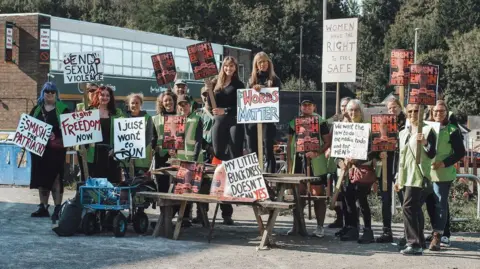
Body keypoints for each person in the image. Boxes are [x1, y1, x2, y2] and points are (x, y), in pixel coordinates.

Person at [204, 56, 245, 223]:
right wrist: (208, 92)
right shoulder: (215, 83)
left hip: (234, 119)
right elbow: (209, 105)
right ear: (223, 67)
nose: (229, 69)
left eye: (232, 66)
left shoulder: (239, 85)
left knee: (235, 151)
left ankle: (234, 185)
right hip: (219, 121)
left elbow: (241, 106)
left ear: (235, 68)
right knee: (219, 152)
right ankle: (229, 169)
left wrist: (225, 110)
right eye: (226, 66)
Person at [286, 100, 331, 237]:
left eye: (309, 105)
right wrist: (289, 162)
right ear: (300, 107)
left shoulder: (321, 122)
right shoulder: (294, 122)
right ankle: (297, 225)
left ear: (314, 106)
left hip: (316, 162)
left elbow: (328, 141)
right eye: (304, 105)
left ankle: (320, 227)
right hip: (298, 162)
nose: (306, 107)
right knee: (298, 195)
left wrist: (317, 152)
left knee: (318, 195)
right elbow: (289, 143)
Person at [396, 103, 436, 255]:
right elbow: (401, 156)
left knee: (408, 207)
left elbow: (432, 153)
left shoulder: (428, 129)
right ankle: (419, 240)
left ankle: (413, 243)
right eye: (410, 111)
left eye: (417, 111)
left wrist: (425, 142)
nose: (413, 114)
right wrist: (397, 177)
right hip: (405, 175)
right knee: (414, 208)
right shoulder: (403, 132)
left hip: (418, 175)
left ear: (423, 112)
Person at [424, 100, 465, 250]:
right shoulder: (427, 128)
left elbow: (460, 152)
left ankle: (438, 236)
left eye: (441, 111)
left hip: (443, 173)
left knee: (440, 204)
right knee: (429, 204)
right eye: (435, 111)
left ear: (447, 113)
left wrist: (443, 163)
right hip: (427, 172)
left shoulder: (452, 130)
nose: (438, 114)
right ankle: (434, 229)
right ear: (431, 112)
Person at [337, 99, 378, 243]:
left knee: (362, 200)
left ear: (361, 111)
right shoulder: (344, 128)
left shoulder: (368, 129)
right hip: (348, 171)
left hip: (363, 170)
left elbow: (373, 151)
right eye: (351, 110)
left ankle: (368, 230)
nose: (353, 113)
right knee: (348, 198)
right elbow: (338, 151)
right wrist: (340, 162)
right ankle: (352, 228)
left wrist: (357, 161)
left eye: (356, 110)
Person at [29, 82, 70, 223]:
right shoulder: (36, 109)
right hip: (39, 150)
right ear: (43, 92)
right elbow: (29, 128)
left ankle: (58, 207)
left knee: (56, 178)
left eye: (53, 91)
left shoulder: (63, 110)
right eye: (47, 91)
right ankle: (43, 207)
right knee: (41, 179)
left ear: (56, 93)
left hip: (56, 151)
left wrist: (57, 136)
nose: (50, 94)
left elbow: (70, 131)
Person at [245, 52, 282, 173]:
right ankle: (253, 176)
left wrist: (268, 89)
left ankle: (270, 180)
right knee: (252, 149)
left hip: (268, 118)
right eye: (260, 62)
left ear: (269, 63)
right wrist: (253, 88)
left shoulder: (275, 79)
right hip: (252, 118)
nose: (263, 64)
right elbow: (246, 98)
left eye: (265, 61)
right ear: (256, 64)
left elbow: (277, 97)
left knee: (268, 148)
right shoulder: (251, 79)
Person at [376, 97, 406, 243]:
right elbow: (376, 142)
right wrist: (379, 152)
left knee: (404, 198)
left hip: (401, 164)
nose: (392, 110)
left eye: (394, 107)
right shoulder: (382, 123)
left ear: (400, 107)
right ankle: (386, 231)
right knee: (385, 199)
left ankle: (409, 232)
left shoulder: (406, 122)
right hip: (386, 163)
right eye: (389, 108)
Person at [87, 85, 124, 184]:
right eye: (102, 95)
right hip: (94, 154)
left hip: (111, 153)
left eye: (108, 95)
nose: (105, 97)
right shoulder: (89, 112)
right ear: (97, 96)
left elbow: (122, 133)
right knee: (95, 183)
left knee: (112, 183)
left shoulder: (117, 113)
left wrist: (116, 148)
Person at [327, 96, 351, 229]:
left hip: (352, 164)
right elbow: (331, 142)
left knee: (351, 196)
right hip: (339, 163)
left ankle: (351, 224)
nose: (343, 108)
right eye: (342, 106)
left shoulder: (357, 124)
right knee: (339, 193)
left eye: (346, 105)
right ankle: (340, 219)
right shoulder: (337, 124)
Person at [152, 91, 177, 193]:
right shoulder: (155, 119)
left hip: (177, 155)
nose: (168, 102)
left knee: (177, 186)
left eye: (170, 100)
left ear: (174, 101)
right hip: (161, 156)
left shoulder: (181, 116)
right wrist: (156, 148)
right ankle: (164, 209)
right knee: (162, 186)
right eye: (165, 100)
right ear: (161, 103)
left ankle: (177, 209)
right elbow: (152, 138)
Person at [125, 92, 154, 175]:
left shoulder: (147, 117)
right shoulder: (123, 118)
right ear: (129, 104)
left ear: (141, 104)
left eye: (137, 103)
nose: (134, 105)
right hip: (126, 159)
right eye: (132, 103)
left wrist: (137, 149)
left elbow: (149, 136)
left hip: (142, 160)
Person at [175, 95, 203, 162]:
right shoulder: (174, 120)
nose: (183, 107)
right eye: (181, 105)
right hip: (179, 160)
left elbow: (198, 142)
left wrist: (194, 160)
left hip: (193, 160)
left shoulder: (197, 119)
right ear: (178, 107)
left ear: (190, 105)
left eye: (185, 104)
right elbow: (171, 143)